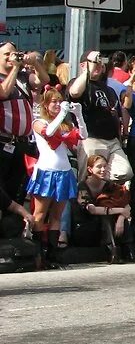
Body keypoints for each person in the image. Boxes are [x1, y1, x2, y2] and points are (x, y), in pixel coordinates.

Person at [27, 88, 87, 269]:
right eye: (53, 101)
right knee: (40, 214)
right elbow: (49, 133)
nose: (57, 104)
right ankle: (38, 255)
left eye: (59, 100)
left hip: (64, 171)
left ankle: (53, 255)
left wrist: (79, 115)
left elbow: (83, 136)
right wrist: (62, 113)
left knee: (57, 216)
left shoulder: (64, 124)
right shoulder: (38, 122)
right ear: (45, 104)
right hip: (46, 171)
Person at [67, 49, 133, 182]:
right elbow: (74, 93)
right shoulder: (77, 83)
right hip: (91, 140)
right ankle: (85, 200)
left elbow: (117, 115)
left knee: (125, 172)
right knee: (87, 179)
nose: (99, 65)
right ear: (83, 65)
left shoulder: (109, 90)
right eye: (95, 63)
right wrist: (88, 70)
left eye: (100, 63)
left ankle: (100, 183)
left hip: (112, 141)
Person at [0, 44, 49, 204]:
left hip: (22, 144)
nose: (11, 57)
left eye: (14, 53)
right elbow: (3, 92)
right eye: (6, 54)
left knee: (17, 189)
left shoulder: (23, 76)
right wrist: (15, 68)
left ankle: (14, 225)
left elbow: (44, 80)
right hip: (3, 142)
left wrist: (35, 62)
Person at [77, 154, 135, 264]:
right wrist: (120, 210)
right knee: (106, 216)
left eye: (105, 166)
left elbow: (125, 204)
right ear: (90, 169)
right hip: (86, 227)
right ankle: (112, 251)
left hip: (109, 228)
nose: (103, 169)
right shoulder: (82, 186)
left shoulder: (110, 185)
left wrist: (122, 217)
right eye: (99, 167)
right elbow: (92, 210)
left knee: (113, 215)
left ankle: (128, 249)